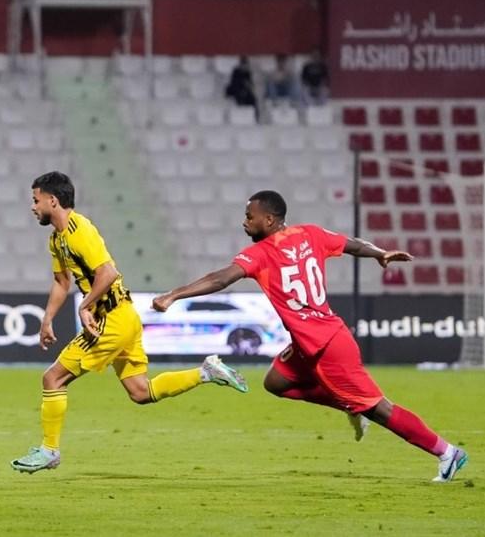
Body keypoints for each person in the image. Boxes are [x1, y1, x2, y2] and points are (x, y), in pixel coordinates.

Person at [152, 190, 468, 483]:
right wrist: (378, 253)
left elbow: (220, 279)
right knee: (276, 382)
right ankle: (350, 406)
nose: (244, 222)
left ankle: (446, 452)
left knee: (379, 409)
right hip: (308, 341)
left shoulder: (260, 254)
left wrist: (174, 294)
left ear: (269, 220)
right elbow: (352, 244)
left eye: (250, 216)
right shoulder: (310, 234)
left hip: (328, 346)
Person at [10, 172, 248, 474]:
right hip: (123, 316)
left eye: (36, 200)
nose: (33, 207)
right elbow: (61, 281)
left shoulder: (79, 229)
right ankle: (206, 372)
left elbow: (107, 273)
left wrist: (85, 305)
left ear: (52, 200)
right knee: (140, 392)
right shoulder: (57, 239)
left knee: (52, 379)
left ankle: (49, 450)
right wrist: (47, 319)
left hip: (112, 319)